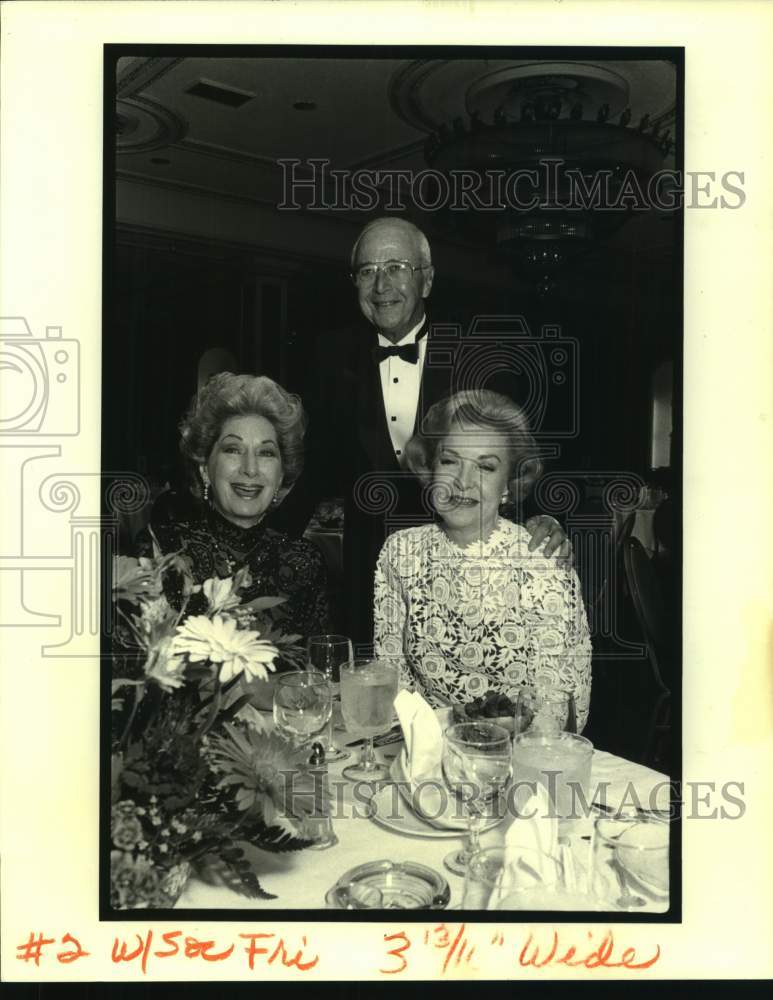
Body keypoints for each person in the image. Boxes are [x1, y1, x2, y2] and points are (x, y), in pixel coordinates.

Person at [274, 216, 569, 647]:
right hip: (371, 563)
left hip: (462, 556)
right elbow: (317, 464)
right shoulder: (330, 354)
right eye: (367, 271)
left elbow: (513, 457)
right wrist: (263, 540)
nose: (381, 286)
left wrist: (542, 518)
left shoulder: (479, 354)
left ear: (426, 280)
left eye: (396, 268)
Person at [373, 389, 592, 732]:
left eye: (486, 467)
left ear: (509, 484)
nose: (463, 482)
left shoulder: (541, 561)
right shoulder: (399, 552)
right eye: (449, 461)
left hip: (519, 757)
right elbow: (394, 681)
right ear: (430, 468)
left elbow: (555, 713)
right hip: (428, 751)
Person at [140, 373, 330, 649]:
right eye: (233, 449)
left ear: (281, 476)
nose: (250, 469)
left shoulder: (305, 561)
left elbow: (319, 674)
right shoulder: (163, 550)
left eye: (266, 453)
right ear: (205, 468)